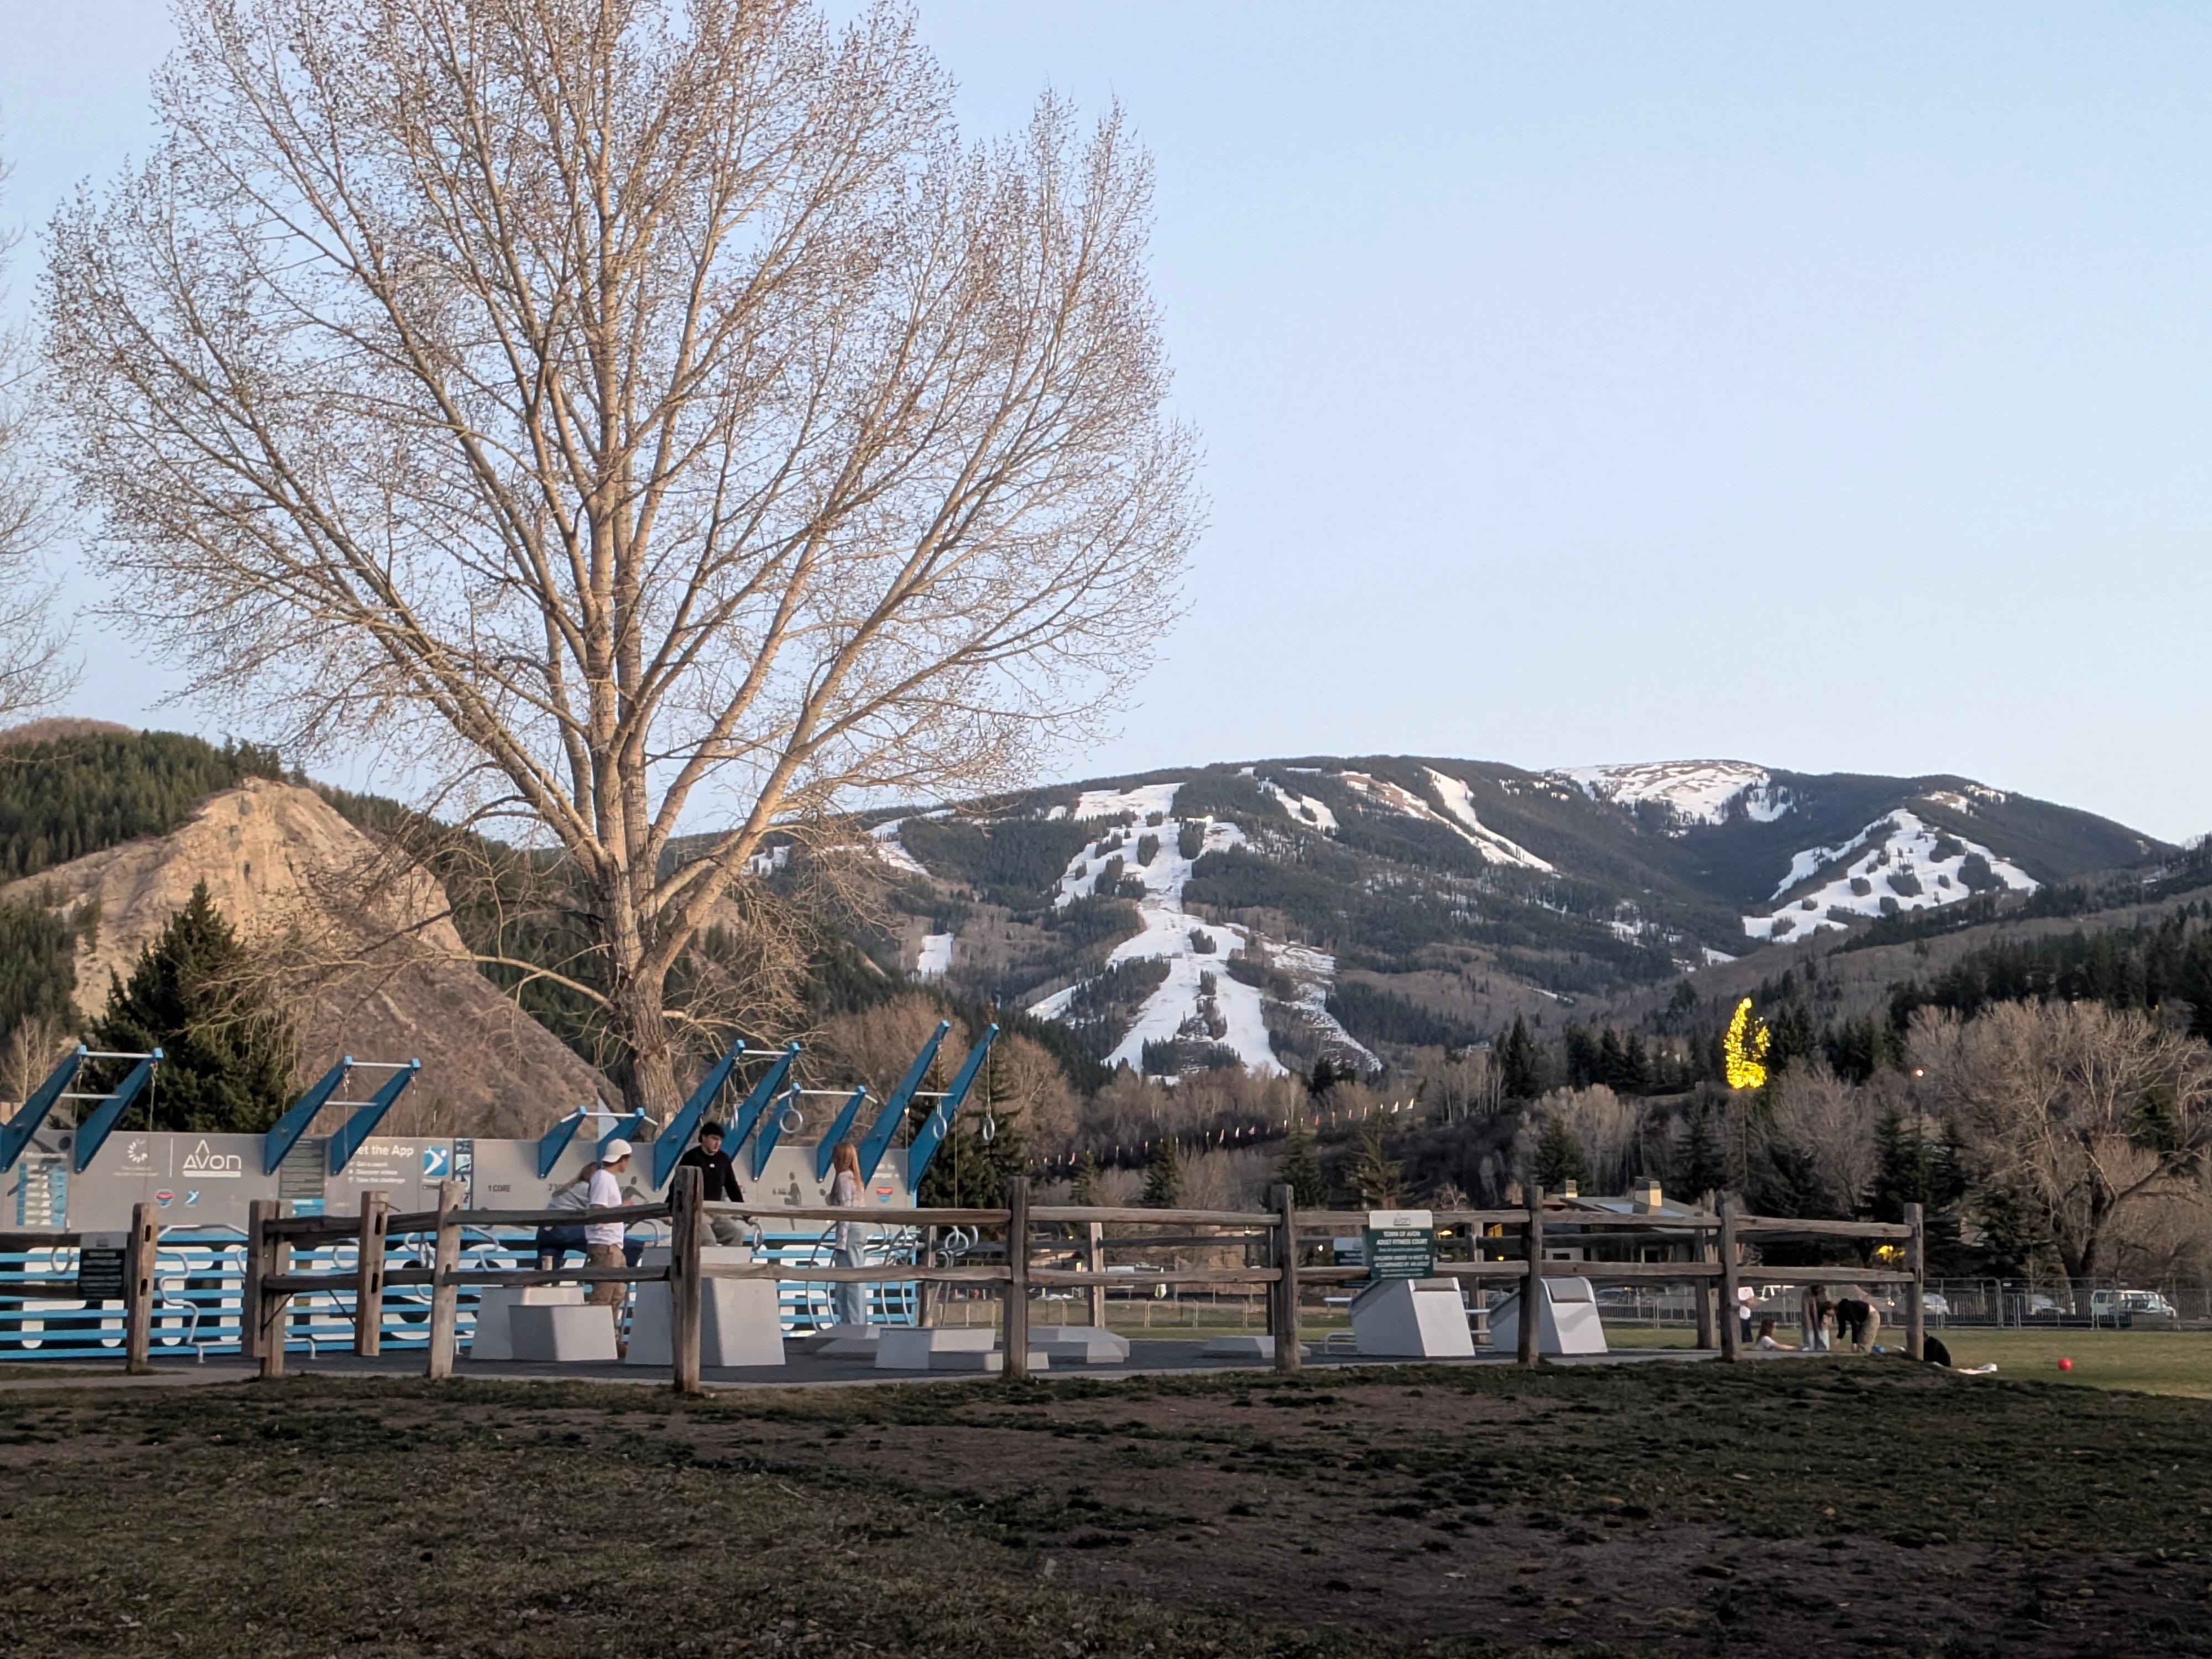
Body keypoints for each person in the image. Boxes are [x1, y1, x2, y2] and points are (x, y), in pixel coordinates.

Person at [587, 1139, 634, 1355]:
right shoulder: (603, 1179)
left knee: (616, 1295)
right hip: (605, 1244)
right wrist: (622, 1208)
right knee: (603, 1295)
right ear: (622, 1159)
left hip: (613, 1244)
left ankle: (610, 1340)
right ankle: (596, 1342)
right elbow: (597, 1211)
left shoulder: (606, 1178)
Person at [675, 1121, 748, 1246]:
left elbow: (733, 1188)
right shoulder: (691, 1157)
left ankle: (728, 1265)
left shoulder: (723, 1159)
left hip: (716, 1210)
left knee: (737, 1234)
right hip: (695, 1210)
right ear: (704, 1137)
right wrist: (671, 1211)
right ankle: (705, 1266)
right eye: (714, 1139)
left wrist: (746, 1215)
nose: (718, 1143)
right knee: (709, 1241)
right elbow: (676, 1186)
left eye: (720, 1140)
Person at [827, 1140, 869, 1328]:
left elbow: (845, 1210)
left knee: (848, 1278)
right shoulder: (856, 1179)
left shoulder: (844, 1178)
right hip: (859, 1229)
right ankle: (856, 1320)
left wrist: (841, 1241)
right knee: (855, 1276)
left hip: (849, 1230)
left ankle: (851, 1323)